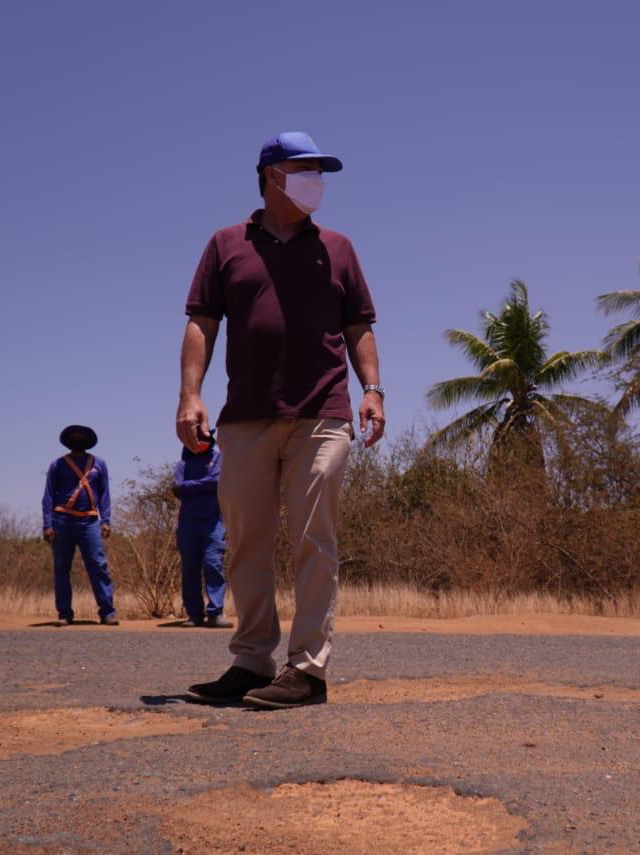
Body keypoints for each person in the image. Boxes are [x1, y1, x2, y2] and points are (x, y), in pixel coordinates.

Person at [178, 131, 385, 709]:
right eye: (306, 169)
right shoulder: (225, 245)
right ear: (272, 175)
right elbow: (202, 323)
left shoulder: (338, 248)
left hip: (323, 412)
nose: (316, 180)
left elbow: (359, 327)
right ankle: (249, 663)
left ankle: (308, 671)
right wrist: (189, 396)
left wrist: (372, 390)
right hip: (245, 416)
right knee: (245, 541)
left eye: (320, 171)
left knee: (314, 539)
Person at [42, 425, 117, 626]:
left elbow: (104, 494)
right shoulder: (57, 464)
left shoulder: (98, 464)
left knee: (98, 565)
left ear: (88, 441)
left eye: (81, 437)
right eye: (74, 438)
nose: (78, 440)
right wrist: (47, 524)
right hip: (62, 520)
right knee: (61, 566)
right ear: (68, 441)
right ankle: (64, 613)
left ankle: (107, 612)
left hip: (89, 521)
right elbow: (48, 495)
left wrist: (106, 520)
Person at [173, 433, 233, 628]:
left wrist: (189, 486)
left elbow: (217, 481)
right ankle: (194, 614)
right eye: (195, 438)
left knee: (213, 564)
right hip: (187, 522)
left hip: (213, 521)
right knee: (189, 568)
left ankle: (216, 612)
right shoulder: (183, 464)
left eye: (203, 437)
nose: (199, 441)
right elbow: (177, 487)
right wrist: (201, 485)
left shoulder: (219, 458)